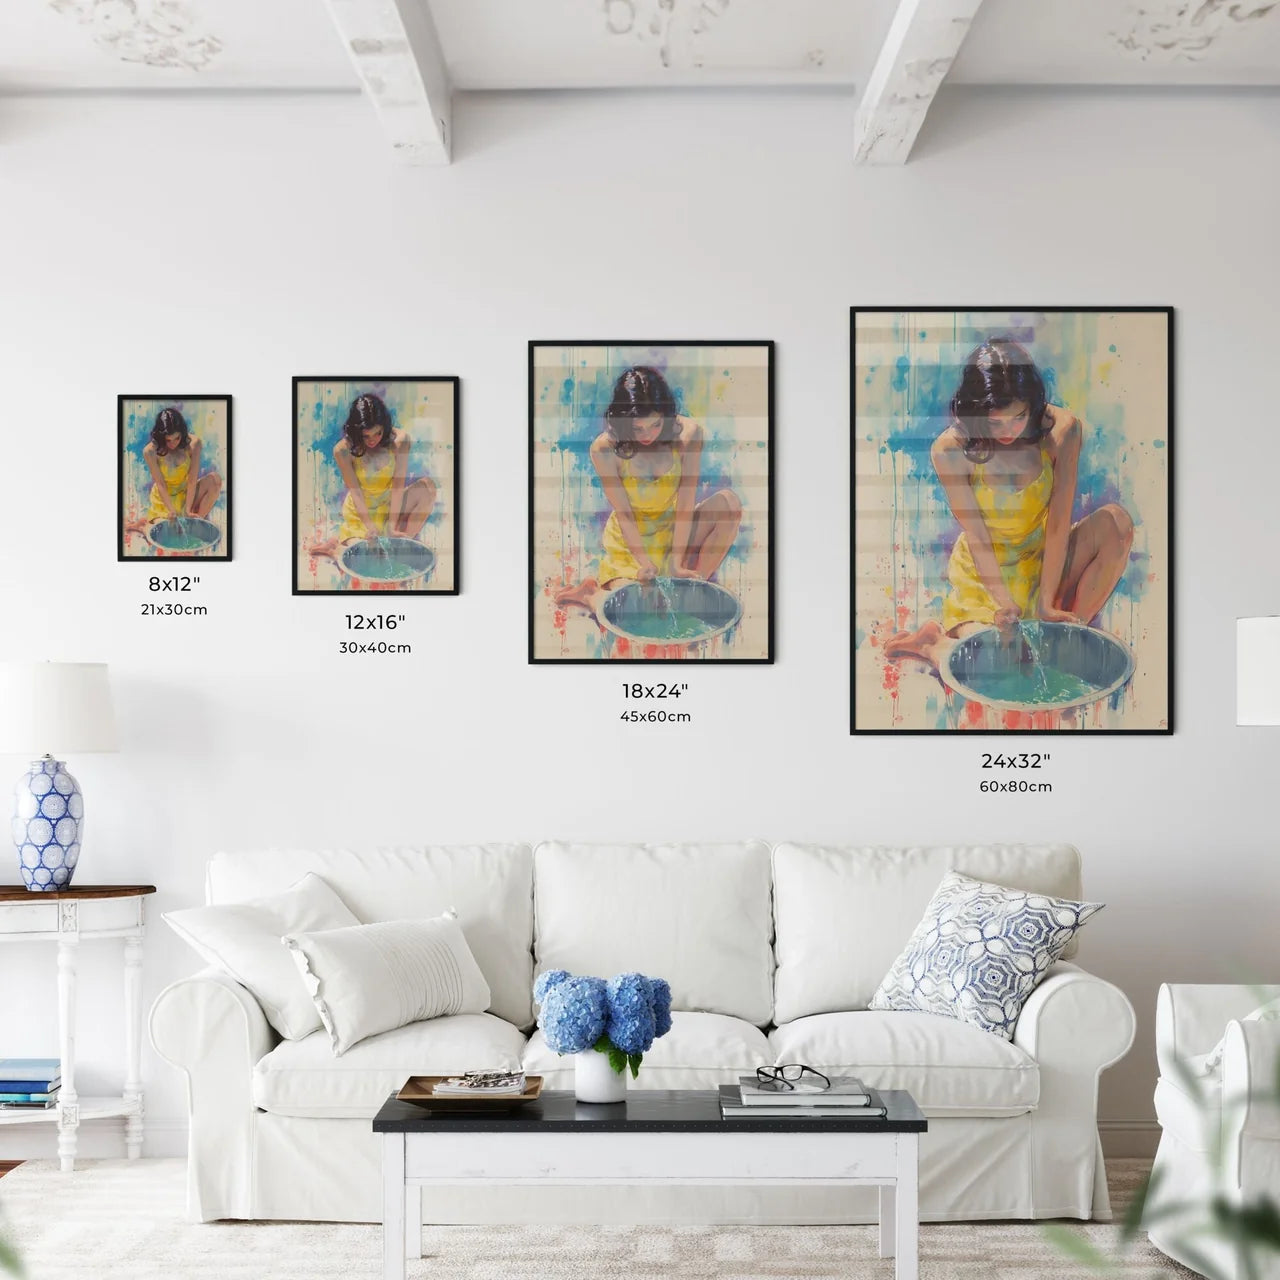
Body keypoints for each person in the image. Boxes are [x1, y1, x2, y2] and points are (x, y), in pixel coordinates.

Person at [884, 338, 1134, 671]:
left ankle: (1061, 640)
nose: (1008, 431)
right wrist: (1005, 605)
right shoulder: (950, 449)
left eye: (1018, 418)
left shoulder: (1062, 431)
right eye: (995, 422)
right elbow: (977, 537)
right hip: (988, 574)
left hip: (1045, 560)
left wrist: (1047, 602)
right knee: (992, 668)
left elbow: (1059, 523)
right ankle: (934, 643)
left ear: (1032, 405)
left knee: (1116, 522)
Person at [555, 365, 742, 615]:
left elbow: (686, 504)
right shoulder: (604, 449)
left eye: (654, 425)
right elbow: (625, 515)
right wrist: (644, 563)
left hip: (674, 529)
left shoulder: (688, 434)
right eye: (637, 428)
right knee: (632, 612)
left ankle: (687, 591)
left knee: (728, 503)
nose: (647, 435)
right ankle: (592, 593)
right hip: (632, 542)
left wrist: (676, 562)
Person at [307, 392, 435, 557]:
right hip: (362, 513)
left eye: (378, 433)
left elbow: (397, 486)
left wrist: (392, 526)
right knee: (365, 558)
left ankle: (399, 548)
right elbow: (356, 493)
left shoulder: (399, 440)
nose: (372, 440)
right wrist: (370, 528)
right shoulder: (343, 450)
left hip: (389, 506)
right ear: (356, 432)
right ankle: (335, 548)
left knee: (428, 488)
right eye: (365, 436)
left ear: (385, 427)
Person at [140, 406, 221, 525]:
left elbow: (192, 480)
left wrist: (188, 509)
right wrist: (171, 511)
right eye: (168, 440)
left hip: (186, 493)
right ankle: (146, 525)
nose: (173, 444)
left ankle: (194, 524)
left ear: (182, 433)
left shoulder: (194, 443)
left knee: (215, 479)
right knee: (165, 533)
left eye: (177, 438)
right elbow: (161, 484)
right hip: (164, 500)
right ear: (162, 437)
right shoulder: (150, 451)